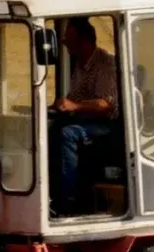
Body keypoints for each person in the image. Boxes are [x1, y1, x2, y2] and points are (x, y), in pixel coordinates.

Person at [48, 18, 120, 212]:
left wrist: (74, 105)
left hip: (109, 126)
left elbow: (106, 105)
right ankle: (49, 192)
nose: (64, 44)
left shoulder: (105, 65)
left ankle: (68, 200)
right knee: (49, 128)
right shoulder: (80, 65)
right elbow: (74, 99)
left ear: (85, 41)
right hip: (87, 122)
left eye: (68, 40)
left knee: (68, 134)